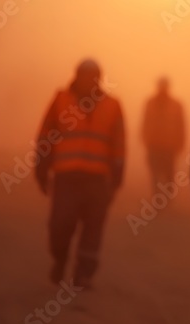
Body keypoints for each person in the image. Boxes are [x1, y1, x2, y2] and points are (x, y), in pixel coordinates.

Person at [35, 59, 125, 290]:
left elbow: (119, 145)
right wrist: (41, 169)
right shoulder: (60, 100)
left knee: (93, 229)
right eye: (85, 75)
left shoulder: (112, 106)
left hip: (97, 179)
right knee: (60, 225)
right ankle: (60, 260)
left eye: (94, 76)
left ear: (100, 78)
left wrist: (117, 176)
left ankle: (83, 275)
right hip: (66, 177)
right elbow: (46, 136)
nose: (90, 80)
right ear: (76, 76)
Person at [141, 76, 185, 193]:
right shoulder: (150, 103)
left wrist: (180, 143)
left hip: (169, 146)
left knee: (169, 172)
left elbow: (181, 126)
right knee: (155, 172)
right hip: (153, 145)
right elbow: (145, 123)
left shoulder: (176, 105)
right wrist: (145, 139)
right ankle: (156, 194)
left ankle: (167, 195)